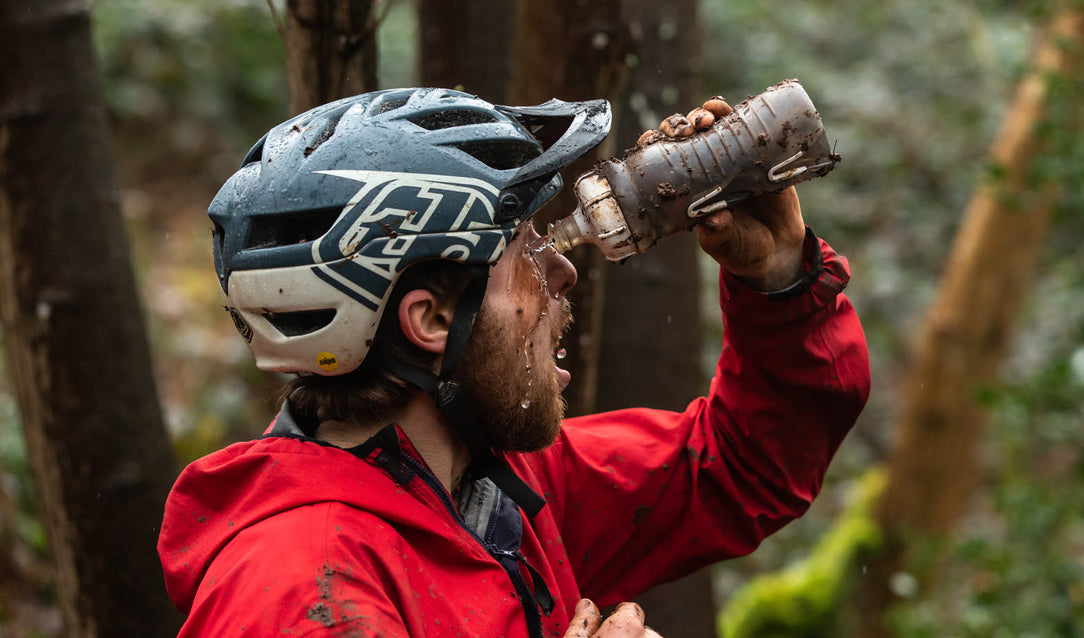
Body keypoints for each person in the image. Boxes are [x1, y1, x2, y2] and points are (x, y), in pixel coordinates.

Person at [158, 87, 870, 637]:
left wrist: (776, 281)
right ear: (431, 319)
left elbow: (737, 469)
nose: (563, 272)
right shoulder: (300, 589)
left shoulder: (493, 491)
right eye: (524, 250)